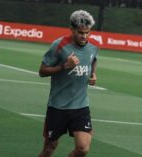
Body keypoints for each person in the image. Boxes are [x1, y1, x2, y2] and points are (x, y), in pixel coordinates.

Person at [38, 10, 99, 157]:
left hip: (80, 106)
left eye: (87, 32)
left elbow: (93, 59)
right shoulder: (59, 45)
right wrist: (63, 67)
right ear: (71, 29)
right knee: (49, 148)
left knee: (83, 148)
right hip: (57, 106)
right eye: (80, 32)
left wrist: (93, 74)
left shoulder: (94, 45)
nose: (84, 36)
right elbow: (42, 71)